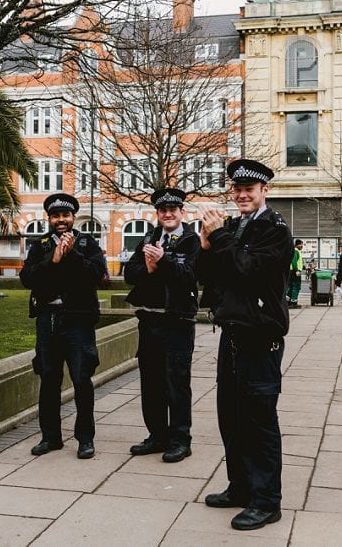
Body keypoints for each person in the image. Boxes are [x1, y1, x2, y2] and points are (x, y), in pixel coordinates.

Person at [197, 159, 291, 532]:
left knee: (260, 421)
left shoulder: (275, 229)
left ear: (264, 190)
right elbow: (211, 277)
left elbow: (247, 271)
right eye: (236, 190)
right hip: (233, 334)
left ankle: (267, 501)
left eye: (248, 190)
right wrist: (206, 246)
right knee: (231, 419)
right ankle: (240, 487)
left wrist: (219, 238)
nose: (241, 196)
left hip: (260, 338)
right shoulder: (234, 226)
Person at [20, 193, 108, 460]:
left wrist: (71, 256)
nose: (61, 220)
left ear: (73, 218)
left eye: (65, 216)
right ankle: (50, 437)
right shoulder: (41, 245)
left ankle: (85, 439)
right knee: (48, 379)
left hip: (78, 321)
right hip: (48, 320)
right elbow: (28, 278)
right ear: (50, 219)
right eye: (56, 216)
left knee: (82, 379)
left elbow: (95, 276)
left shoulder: (87, 243)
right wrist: (54, 260)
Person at [125, 187, 200, 464]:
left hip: (177, 321)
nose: (168, 214)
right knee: (151, 382)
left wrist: (162, 262)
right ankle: (157, 435)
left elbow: (189, 275)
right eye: (163, 210)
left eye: (173, 210)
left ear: (182, 212)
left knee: (176, 382)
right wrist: (150, 269)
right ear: (157, 214)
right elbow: (130, 274)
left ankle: (180, 440)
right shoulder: (149, 236)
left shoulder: (191, 240)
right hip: (150, 320)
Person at [287, 239, 304, 307]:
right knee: (296, 286)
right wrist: (297, 270)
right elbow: (294, 262)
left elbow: (297, 262)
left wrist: (304, 267)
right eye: (301, 244)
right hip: (295, 271)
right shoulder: (296, 251)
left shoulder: (293, 251)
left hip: (291, 271)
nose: (302, 246)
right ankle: (294, 302)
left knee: (290, 286)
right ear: (298, 244)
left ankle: (288, 301)